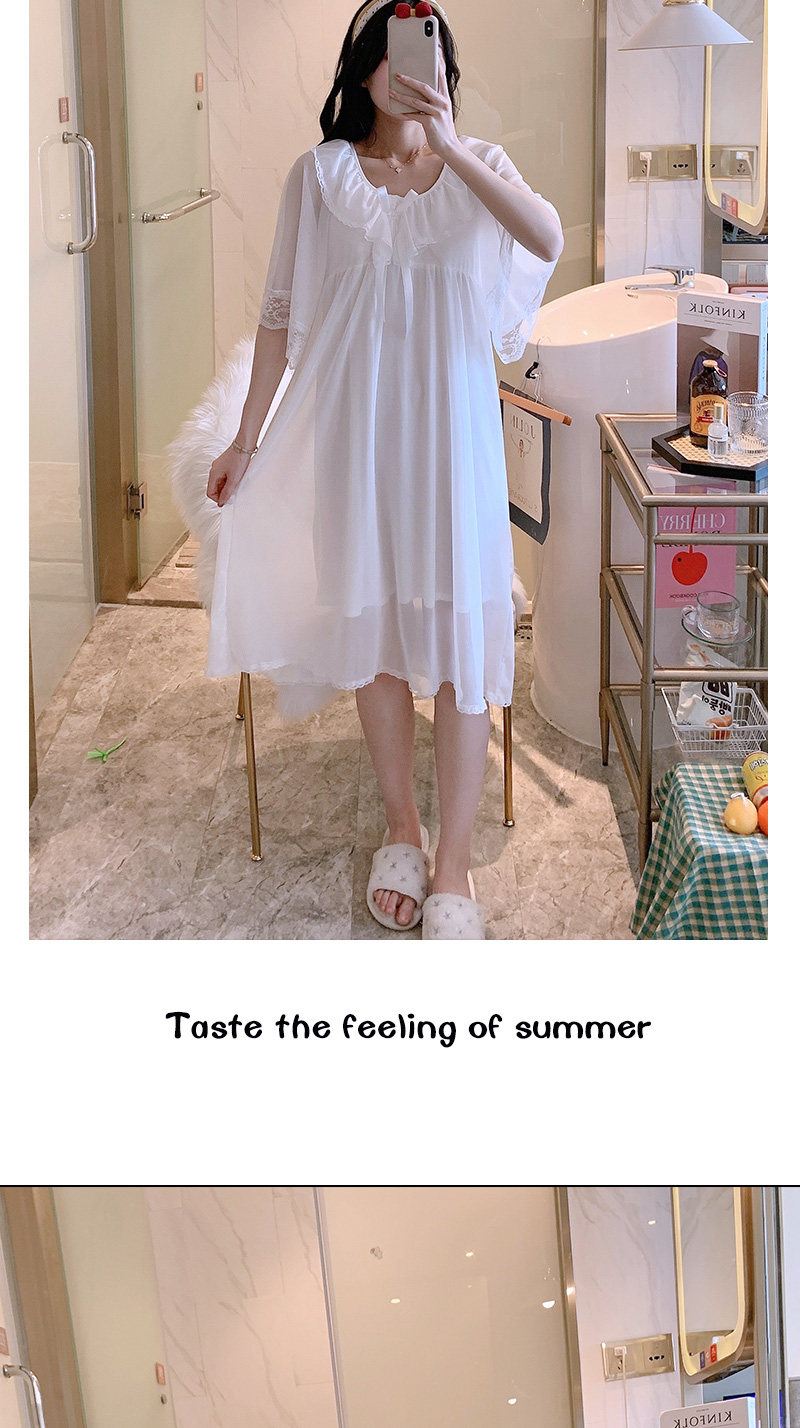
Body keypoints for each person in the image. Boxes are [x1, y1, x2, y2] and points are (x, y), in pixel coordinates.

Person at [204, 0, 563, 939]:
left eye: (429, 53)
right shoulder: (320, 176)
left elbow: (547, 240)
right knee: (375, 637)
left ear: (443, 68)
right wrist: (244, 440)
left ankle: (454, 860)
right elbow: (278, 319)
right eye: (398, 53)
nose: (413, 69)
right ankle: (401, 824)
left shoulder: (482, 167)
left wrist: (450, 145)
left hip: (453, 447)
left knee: (459, 645)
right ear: (363, 67)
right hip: (356, 444)